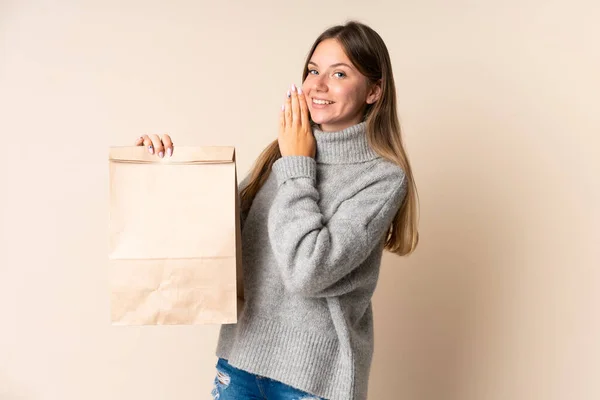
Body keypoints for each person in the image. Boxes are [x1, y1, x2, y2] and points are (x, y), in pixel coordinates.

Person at [135, 20, 419, 400]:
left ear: (374, 91)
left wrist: (298, 165)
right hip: (239, 361)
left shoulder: (381, 177)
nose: (317, 84)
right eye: (313, 71)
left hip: (313, 379)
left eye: (339, 73)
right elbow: (215, 234)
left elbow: (308, 272)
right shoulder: (281, 152)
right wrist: (165, 167)